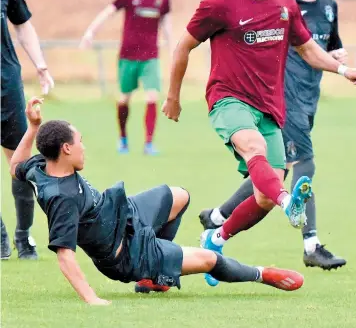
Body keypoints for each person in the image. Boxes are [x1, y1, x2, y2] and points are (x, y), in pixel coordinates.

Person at [161, 0, 356, 287]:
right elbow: (182, 47)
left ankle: (218, 237)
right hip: (228, 100)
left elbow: (307, 49)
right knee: (257, 154)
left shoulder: (285, 6)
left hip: (269, 108)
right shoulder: (220, 4)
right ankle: (291, 203)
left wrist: (342, 69)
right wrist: (173, 97)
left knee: (263, 194)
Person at [9, 97, 305, 305]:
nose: (84, 147)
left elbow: (14, 168)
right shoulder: (63, 199)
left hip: (124, 216)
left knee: (179, 196)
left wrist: (33, 127)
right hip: (127, 253)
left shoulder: (39, 166)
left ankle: (154, 278)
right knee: (209, 260)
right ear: (65, 149)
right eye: (80, 141)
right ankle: (262, 274)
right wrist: (92, 299)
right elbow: (65, 256)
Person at [199, 0, 349, 271]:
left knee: (269, 176)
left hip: (308, 100)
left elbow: (322, 48)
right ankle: (311, 242)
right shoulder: (280, 3)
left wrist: (339, 62)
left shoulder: (328, 6)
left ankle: (217, 218)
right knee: (303, 164)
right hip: (281, 99)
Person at [80, 0, 171, 156]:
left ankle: (148, 143)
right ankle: (123, 138)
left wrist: (172, 45)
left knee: (152, 96)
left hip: (150, 56)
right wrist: (90, 32)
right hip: (128, 55)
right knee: (124, 99)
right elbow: (108, 12)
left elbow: (166, 22)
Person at [1, 0, 55, 260]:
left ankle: (24, 236)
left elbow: (22, 25)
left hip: (6, 83)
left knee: (20, 164)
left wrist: (41, 64)